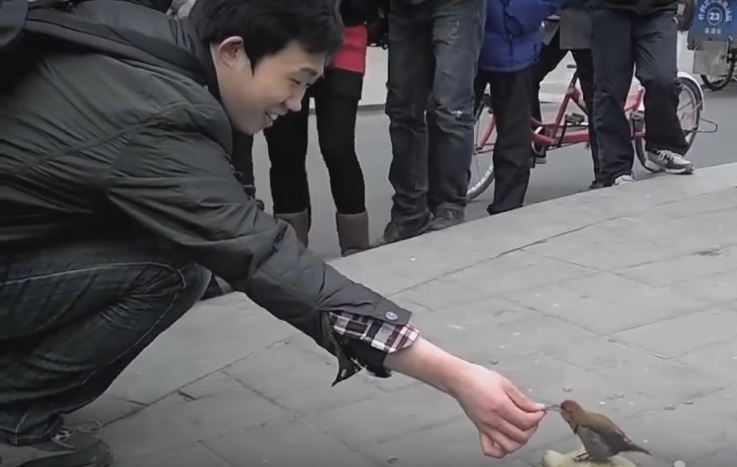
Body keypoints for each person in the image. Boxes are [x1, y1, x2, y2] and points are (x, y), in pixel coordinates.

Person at [0, 1, 548, 466]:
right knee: (172, 271)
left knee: (172, 247)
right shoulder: (155, 116)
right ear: (233, 51)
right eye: (296, 81)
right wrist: (453, 375)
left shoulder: (131, 38)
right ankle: (14, 415)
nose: (294, 105)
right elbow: (263, 256)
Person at [251, 3, 373, 256]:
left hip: (345, 38)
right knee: (285, 150)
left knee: (338, 147)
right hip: (287, 40)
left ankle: (357, 249)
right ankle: (291, 248)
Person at [377, 0, 488, 245]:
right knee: (403, 108)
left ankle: (448, 206)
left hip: (456, 5)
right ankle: (409, 212)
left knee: (451, 108)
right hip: (404, 7)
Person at [589, 0, 695, 187]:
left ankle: (662, 145)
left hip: (659, 9)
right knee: (610, 91)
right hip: (611, 10)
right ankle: (616, 169)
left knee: (662, 78)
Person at [474, 0, 560, 215]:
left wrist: (526, 13)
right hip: (466, 34)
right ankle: (443, 206)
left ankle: (507, 209)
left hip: (515, 42)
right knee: (447, 124)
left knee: (514, 132)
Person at [531, 0, 600, 189]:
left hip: (585, 23)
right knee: (525, 77)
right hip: (552, 23)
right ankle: (538, 137)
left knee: (596, 98)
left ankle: (604, 172)